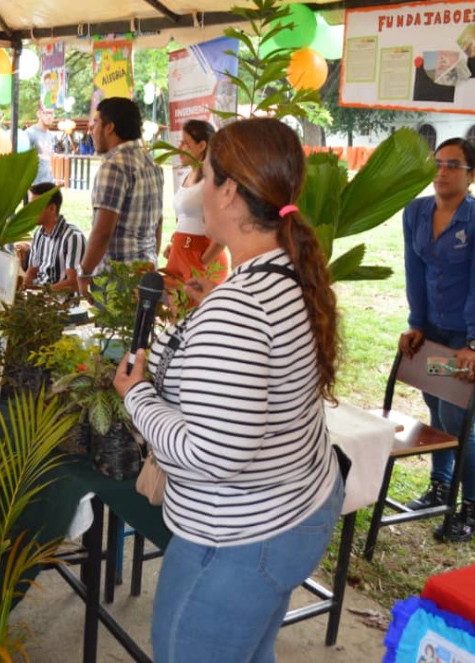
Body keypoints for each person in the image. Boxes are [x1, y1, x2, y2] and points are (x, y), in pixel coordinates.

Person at [113, 117, 343, 662]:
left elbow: (215, 452)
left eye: (205, 175)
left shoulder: (239, 310)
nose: (196, 190)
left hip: (238, 536)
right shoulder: (281, 271)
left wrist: (136, 394)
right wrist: (208, 308)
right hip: (287, 510)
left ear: (232, 194)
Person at [399, 137, 475, 542]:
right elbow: (415, 273)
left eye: (453, 165)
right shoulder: (416, 212)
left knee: (457, 421)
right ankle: (440, 488)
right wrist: (417, 323)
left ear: (472, 175)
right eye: (438, 163)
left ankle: (473, 510)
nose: (442, 171)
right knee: (435, 408)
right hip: (438, 331)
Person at [77, 97, 164, 296]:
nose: (91, 130)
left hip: (117, 279)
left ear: (110, 127)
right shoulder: (151, 163)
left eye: (96, 123)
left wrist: (84, 273)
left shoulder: (114, 166)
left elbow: (102, 232)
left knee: (111, 328)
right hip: (147, 273)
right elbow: (158, 222)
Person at [162, 119, 229, 299]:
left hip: (201, 257)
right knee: (178, 314)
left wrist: (203, 261)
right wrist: (176, 246)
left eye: (185, 143)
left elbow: (224, 229)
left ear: (201, 146)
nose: (179, 147)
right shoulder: (188, 175)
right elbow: (186, 221)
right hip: (182, 254)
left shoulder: (212, 179)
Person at [23, 182, 85, 291]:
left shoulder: (72, 237)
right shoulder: (38, 234)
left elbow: (74, 282)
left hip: (61, 302)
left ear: (52, 208)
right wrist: (22, 289)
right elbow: (32, 272)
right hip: (40, 297)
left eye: (35, 206)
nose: (29, 212)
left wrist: (42, 295)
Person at [24, 105, 55, 185]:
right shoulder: (30, 133)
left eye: (51, 113)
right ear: (39, 114)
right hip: (33, 185)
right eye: (46, 113)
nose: (49, 116)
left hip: (48, 183)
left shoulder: (50, 135)